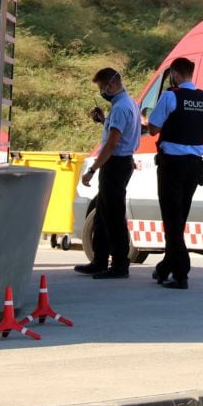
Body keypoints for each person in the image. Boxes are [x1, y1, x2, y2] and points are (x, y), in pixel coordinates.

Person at [147, 57, 203, 289]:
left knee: (171, 218)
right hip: (195, 165)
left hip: (172, 165)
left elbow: (154, 128)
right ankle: (166, 266)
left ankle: (181, 272)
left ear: (174, 73)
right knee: (179, 216)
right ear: (191, 73)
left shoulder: (170, 96)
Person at [74, 67, 140, 279]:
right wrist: (104, 121)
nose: (102, 92)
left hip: (116, 164)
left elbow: (112, 144)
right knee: (102, 214)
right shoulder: (127, 104)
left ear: (111, 85)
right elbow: (117, 131)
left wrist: (92, 170)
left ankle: (120, 264)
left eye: (102, 87)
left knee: (113, 215)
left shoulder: (121, 107)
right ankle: (99, 260)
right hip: (119, 162)